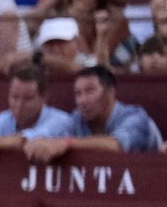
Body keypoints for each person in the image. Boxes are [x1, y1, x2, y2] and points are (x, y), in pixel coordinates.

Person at [21, 63, 165, 158]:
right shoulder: (77, 118)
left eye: (90, 91)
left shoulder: (135, 117)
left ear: (110, 92)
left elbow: (115, 145)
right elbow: (39, 136)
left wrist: (66, 143)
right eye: (78, 94)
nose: (82, 100)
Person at [0, 61, 73, 153]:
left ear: (44, 98)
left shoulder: (60, 120)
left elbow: (27, 140)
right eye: (15, 97)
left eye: (28, 99)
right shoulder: (5, 118)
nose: (19, 105)